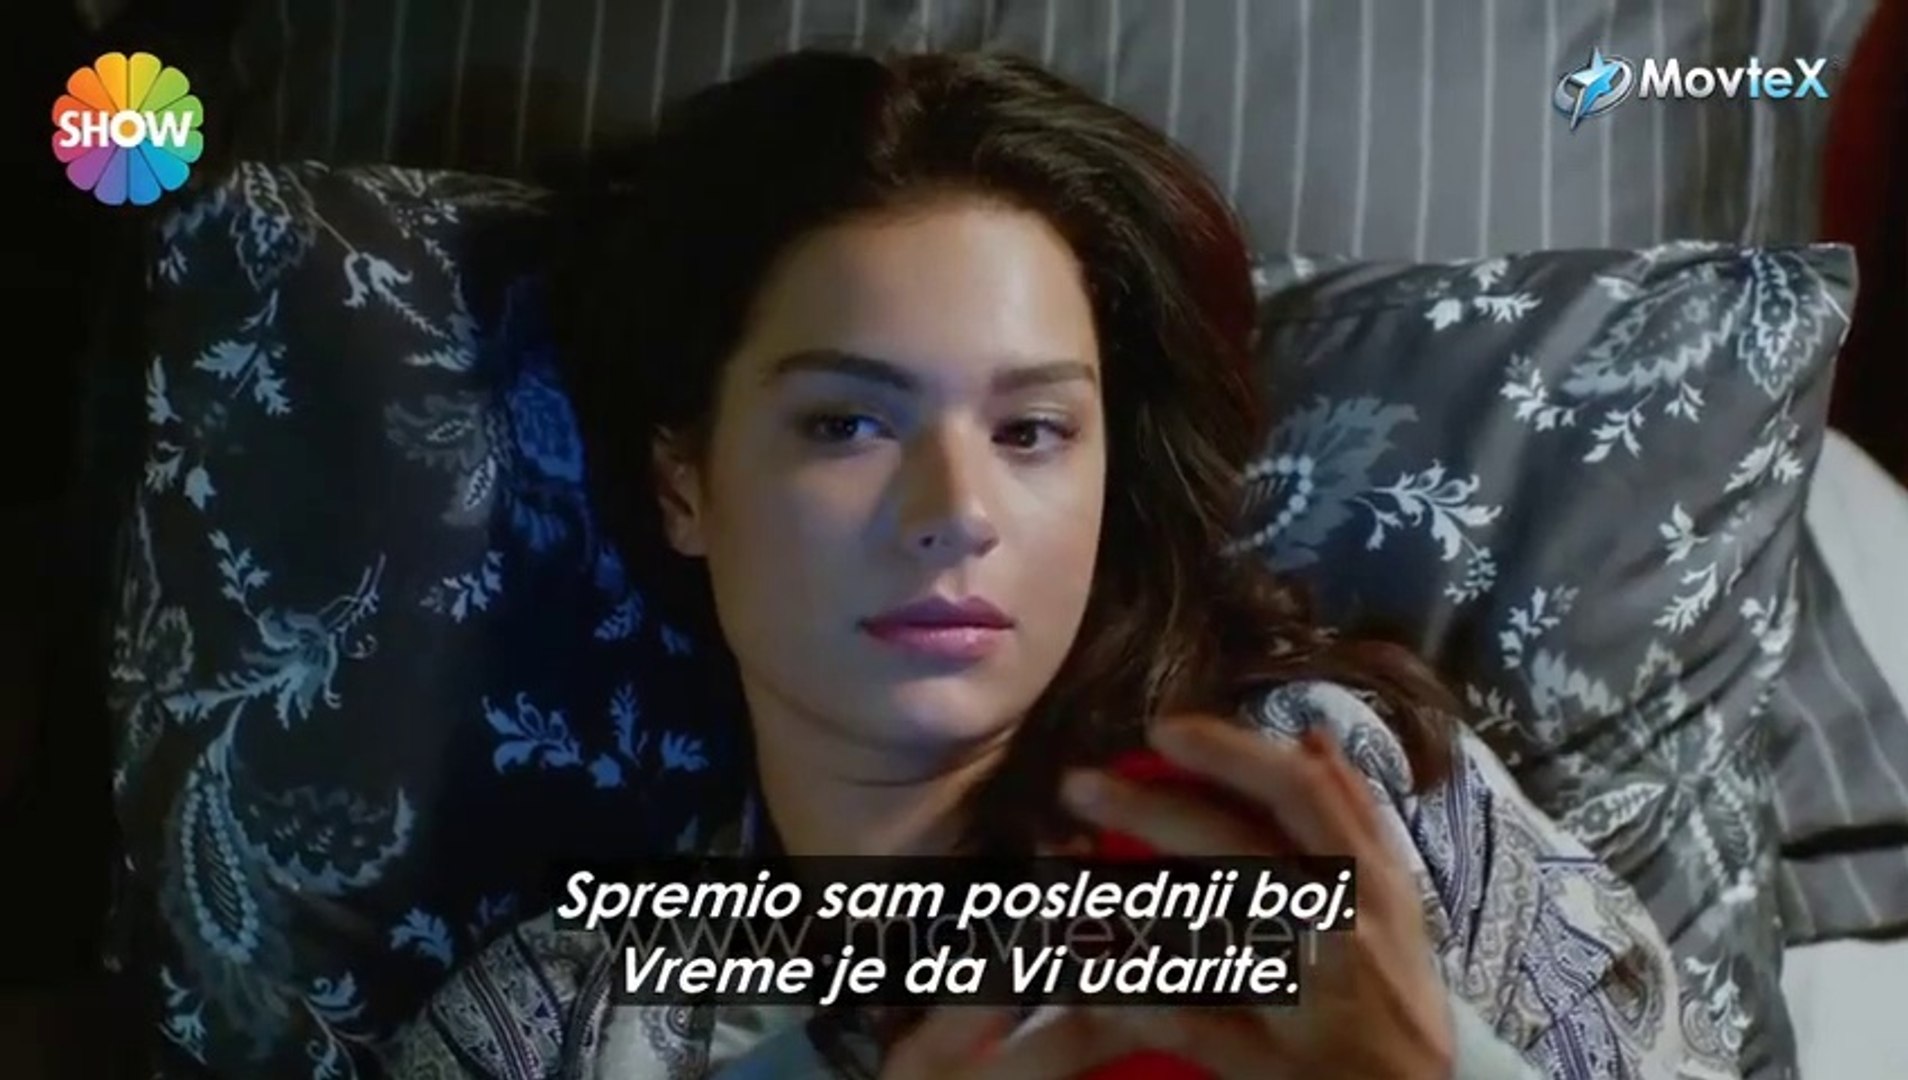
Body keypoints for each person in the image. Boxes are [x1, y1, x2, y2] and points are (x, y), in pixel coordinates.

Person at [385, 50, 1735, 1080]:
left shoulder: (1341, 803)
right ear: (687, 482)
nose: (955, 512)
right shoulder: (558, 1028)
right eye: (846, 424)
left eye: (1030, 430)